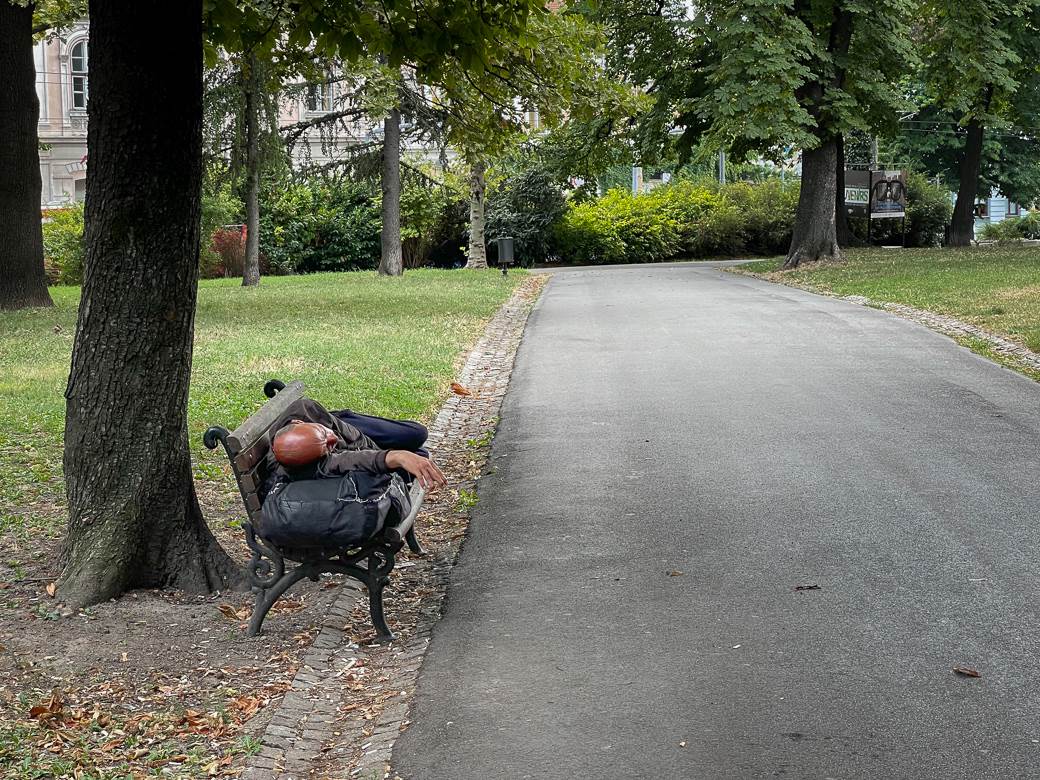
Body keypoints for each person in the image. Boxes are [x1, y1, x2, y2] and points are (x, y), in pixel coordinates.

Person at [260, 398, 446, 501]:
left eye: (324, 434)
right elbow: (349, 460)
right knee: (419, 456)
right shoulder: (305, 464)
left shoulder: (304, 409)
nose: (333, 438)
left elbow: (336, 433)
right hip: (357, 450)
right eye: (328, 445)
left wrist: (332, 428)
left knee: (417, 433)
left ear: (301, 422)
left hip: (350, 427)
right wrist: (396, 456)